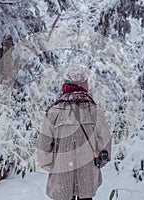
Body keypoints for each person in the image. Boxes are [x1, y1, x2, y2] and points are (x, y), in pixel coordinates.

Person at [37, 66, 112, 200]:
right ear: (85, 86)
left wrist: (53, 167)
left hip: (61, 176)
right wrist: (98, 163)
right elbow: (105, 142)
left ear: (65, 86)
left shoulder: (54, 112)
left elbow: (44, 145)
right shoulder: (95, 112)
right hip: (87, 176)